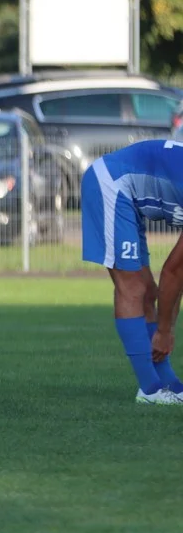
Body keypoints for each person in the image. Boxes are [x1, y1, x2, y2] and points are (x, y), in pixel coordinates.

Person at [81, 139, 183, 405]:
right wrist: (164, 330)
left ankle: (168, 384)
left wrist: (167, 327)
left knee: (148, 292)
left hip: (127, 193)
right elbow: (173, 272)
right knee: (134, 287)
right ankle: (149, 390)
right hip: (110, 184)